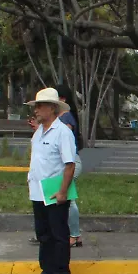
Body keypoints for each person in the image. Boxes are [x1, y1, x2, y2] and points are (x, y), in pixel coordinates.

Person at [25, 87, 78, 274]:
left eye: (40, 106)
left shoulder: (62, 132)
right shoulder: (38, 132)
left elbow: (69, 164)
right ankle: (47, 269)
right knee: (43, 233)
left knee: (58, 232)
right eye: (35, 106)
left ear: (52, 108)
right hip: (38, 189)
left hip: (54, 189)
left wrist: (63, 190)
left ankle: (62, 272)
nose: (36, 110)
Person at [56, 84, 85, 248]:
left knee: (68, 198)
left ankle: (74, 235)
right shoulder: (61, 117)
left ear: (62, 99)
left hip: (72, 162)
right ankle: (72, 235)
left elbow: (64, 140)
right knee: (67, 198)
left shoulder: (65, 117)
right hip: (68, 162)